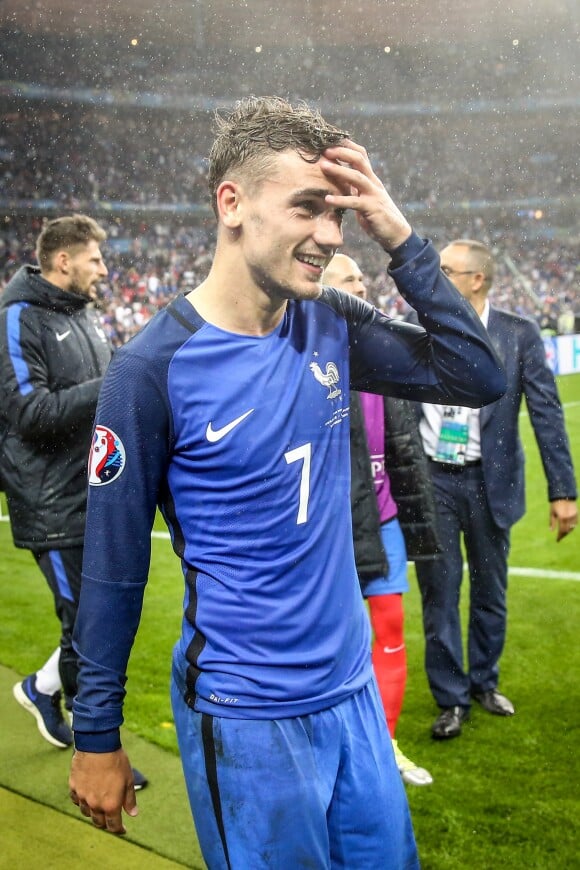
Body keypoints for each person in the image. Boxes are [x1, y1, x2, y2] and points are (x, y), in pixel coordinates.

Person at [68, 97, 506, 868]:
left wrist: (399, 236)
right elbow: (112, 568)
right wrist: (96, 736)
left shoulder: (328, 321)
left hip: (353, 694)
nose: (331, 235)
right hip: (247, 713)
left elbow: (476, 374)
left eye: (340, 215)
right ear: (231, 203)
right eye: (309, 207)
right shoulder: (149, 373)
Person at [0, 215, 147, 788]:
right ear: (63, 261)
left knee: (98, 620)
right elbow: (31, 416)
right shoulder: (16, 318)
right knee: (91, 629)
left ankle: (40, 688)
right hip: (52, 506)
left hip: (97, 494)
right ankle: (99, 755)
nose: (104, 270)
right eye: (95, 259)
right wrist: (115, 380)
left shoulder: (82, 314)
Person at [413, 238, 577, 740]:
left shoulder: (518, 333)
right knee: (439, 594)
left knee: (490, 591)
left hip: (491, 482)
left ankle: (484, 682)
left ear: (476, 280)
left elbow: (547, 414)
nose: (436, 276)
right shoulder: (418, 327)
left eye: (447, 269)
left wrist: (563, 491)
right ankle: (451, 699)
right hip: (433, 480)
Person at [323, 253, 437, 787]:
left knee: (390, 627)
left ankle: (385, 746)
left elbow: (400, 447)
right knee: (333, 638)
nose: (361, 285)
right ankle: (335, 746)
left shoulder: (381, 353)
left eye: (362, 279)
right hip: (330, 529)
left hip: (384, 517)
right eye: (349, 279)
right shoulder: (304, 353)